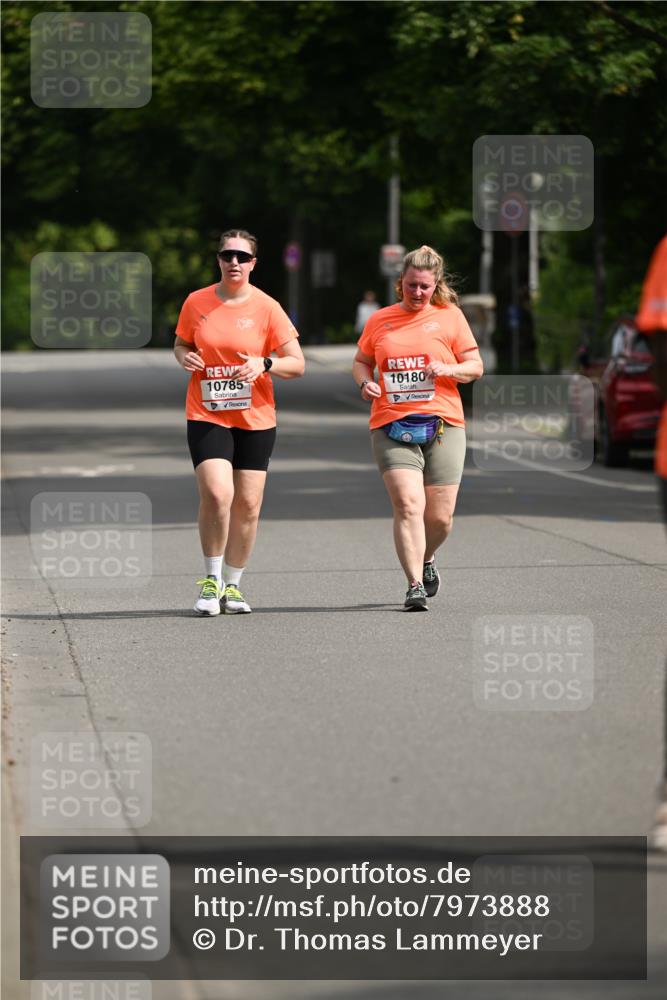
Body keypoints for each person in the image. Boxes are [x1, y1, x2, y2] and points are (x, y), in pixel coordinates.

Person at [174, 229, 305, 615]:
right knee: (217, 494)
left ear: (253, 264)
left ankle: (233, 585)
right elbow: (182, 343)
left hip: (256, 418)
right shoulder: (196, 302)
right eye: (227, 255)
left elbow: (296, 364)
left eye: (241, 257)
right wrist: (183, 357)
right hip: (207, 411)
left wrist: (264, 363)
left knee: (247, 505)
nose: (234, 262)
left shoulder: (268, 307)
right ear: (218, 260)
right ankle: (211, 580)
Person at [352, 245, 483, 610]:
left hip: (443, 422)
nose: (417, 293)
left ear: (435, 284)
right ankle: (413, 585)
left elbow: (476, 367)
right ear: (400, 283)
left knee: (439, 517)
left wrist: (449, 370)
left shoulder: (450, 317)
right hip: (390, 421)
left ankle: (426, 559)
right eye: (411, 285)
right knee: (409, 504)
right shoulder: (380, 320)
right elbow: (361, 361)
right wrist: (365, 383)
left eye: (424, 286)